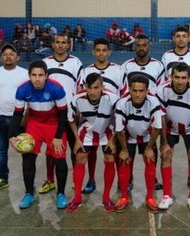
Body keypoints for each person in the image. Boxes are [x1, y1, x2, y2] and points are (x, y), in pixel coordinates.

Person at [8, 60, 68, 209]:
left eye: (41, 75)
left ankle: (61, 194)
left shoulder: (57, 88)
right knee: (27, 159)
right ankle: (29, 193)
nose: (37, 79)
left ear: (46, 75)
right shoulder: (22, 89)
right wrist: (12, 136)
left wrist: (58, 136)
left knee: (60, 160)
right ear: (29, 75)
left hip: (54, 124)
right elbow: (17, 114)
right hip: (34, 124)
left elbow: (63, 114)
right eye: (34, 75)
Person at [78, 37, 127, 194]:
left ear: (109, 52)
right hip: (91, 119)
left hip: (112, 120)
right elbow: (80, 94)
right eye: (98, 50)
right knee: (90, 151)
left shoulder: (119, 70)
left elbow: (124, 95)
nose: (101, 53)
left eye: (104, 50)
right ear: (93, 51)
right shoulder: (86, 71)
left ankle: (121, 181)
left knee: (114, 152)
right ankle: (91, 180)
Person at [66, 73, 119, 212]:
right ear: (85, 87)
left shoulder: (112, 99)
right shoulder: (77, 99)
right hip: (87, 130)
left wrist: (113, 140)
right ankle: (77, 197)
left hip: (107, 129)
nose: (93, 91)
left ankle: (106, 197)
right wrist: (77, 140)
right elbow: (71, 120)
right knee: (80, 157)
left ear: (103, 87)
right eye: (89, 88)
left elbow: (120, 121)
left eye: (96, 87)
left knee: (109, 158)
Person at [157, 62, 190, 211]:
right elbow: (162, 117)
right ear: (171, 76)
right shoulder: (162, 89)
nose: (179, 81)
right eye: (176, 77)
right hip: (170, 128)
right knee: (165, 156)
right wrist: (164, 142)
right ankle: (166, 196)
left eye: (183, 77)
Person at [39, 33, 83, 194]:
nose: (60, 45)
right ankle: (50, 180)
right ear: (53, 44)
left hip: (70, 113)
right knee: (51, 150)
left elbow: (80, 87)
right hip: (51, 114)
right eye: (57, 42)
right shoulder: (45, 63)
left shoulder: (75, 62)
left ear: (68, 45)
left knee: (74, 148)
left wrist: (78, 108)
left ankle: (74, 179)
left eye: (63, 42)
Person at [0, 44, 29, 192]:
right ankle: (2, 179)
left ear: (17, 57)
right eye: (5, 54)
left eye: (11, 54)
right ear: (1, 58)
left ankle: (29, 181)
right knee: (1, 151)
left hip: (20, 119)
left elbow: (31, 97)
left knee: (26, 152)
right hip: (0, 119)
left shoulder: (25, 74)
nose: (8, 57)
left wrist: (25, 117)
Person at [122, 33, 165, 191]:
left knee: (150, 147)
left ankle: (152, 178)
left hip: (150, 113)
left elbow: (160, 91)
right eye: (138, 45)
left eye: (144, 45)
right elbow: (123, 90)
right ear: (134, 47)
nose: (141, 48)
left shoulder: (158, 66)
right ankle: (128, 179)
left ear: (149, 46)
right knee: (129, 150)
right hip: (131, 113)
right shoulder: (126, 66)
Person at [114, 75, 162, 213]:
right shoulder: (122, 103)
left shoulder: (154, 102)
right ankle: (124, 197)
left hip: (147, 136)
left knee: (150, 161)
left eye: (141, 91)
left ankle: (150, 197)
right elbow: (120, 130)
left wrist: (148, 148)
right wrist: (123, 149)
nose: (137, 94)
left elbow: (157, 127)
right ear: (129, 89)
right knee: (123, 161)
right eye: (134, 90)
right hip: (127, 136)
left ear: (147, 91)